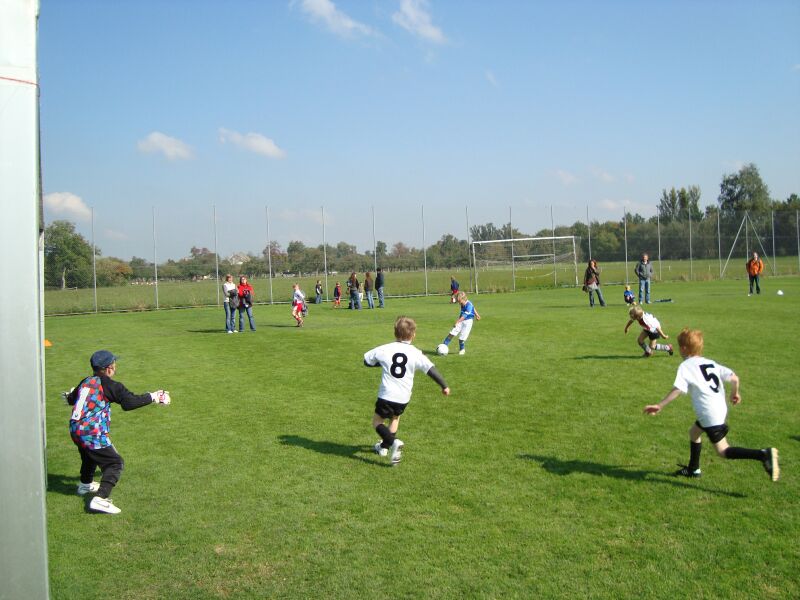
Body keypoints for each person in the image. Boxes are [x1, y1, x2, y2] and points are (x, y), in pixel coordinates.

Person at [643, 328, 779, 481]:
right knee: (694, 433)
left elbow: (678, 389)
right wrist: (734, 393)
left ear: (684, 349)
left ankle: (763, 454)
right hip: (719, 408)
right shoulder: (709, 362)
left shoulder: (686, 366)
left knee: (722, 450)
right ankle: (693, 469)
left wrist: (660, 405)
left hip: (709, 412)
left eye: (679, 346)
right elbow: (735, 378)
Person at [65, 350, 171, 514]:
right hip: (91, 432)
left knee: (89, 456)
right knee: (114, 463)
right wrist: (154, 396)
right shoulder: (111, 385)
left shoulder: (86, 381)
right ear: (109, 368)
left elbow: (71, 398)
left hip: (75, 429)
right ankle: (100, 498)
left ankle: (85, 485)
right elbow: (129, 403)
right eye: (114, 363)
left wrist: (70, 396)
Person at [364, 316, 450, 465]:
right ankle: (384, 447)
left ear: (395, 333)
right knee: (395, 418)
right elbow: (431, 370)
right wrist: (444, 386)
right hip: (403, 397)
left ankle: (393, 442)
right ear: (413, 335)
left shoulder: (386, 348)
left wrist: (383, 363)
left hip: (387, 394)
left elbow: (367, 361)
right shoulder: (416, 353)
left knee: (377, 422)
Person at [441, 291, 481, 356]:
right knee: (452, 333)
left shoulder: (469, 305)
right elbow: (473, 308)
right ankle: (443, 346)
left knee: (461, 338)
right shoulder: (463, 303)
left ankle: (462, 349)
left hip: (468, 322)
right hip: (461, 320)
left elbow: (465, 315)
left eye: (459, 301)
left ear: (463, 299)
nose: (459, 303)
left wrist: (457, 322)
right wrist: (477, 315)